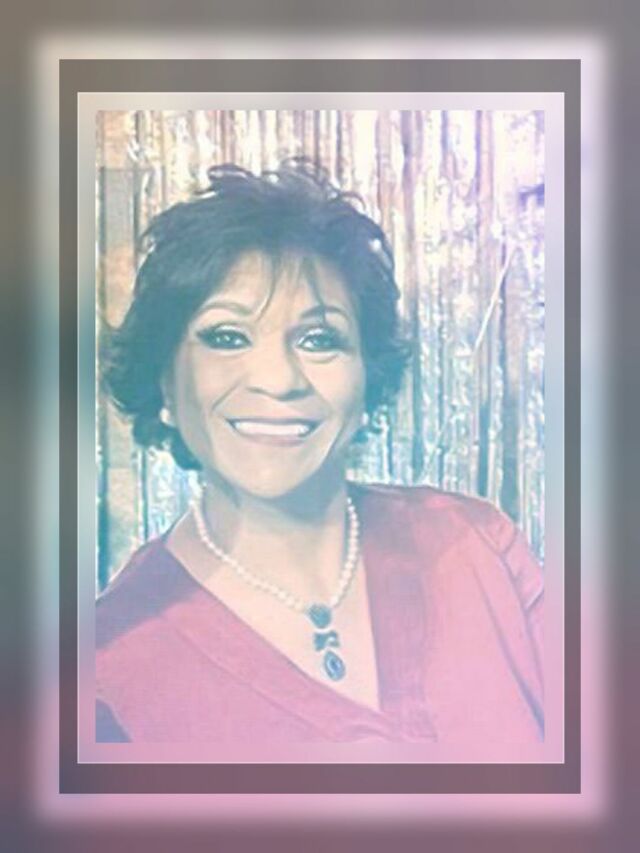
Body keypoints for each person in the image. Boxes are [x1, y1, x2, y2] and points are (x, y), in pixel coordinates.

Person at [96, 160, 543, 744]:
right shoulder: (105, 672)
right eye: (226, 337)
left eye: (319, 338)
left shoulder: (479, 547)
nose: (279, 379)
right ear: (163, 386)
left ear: (367, 379)